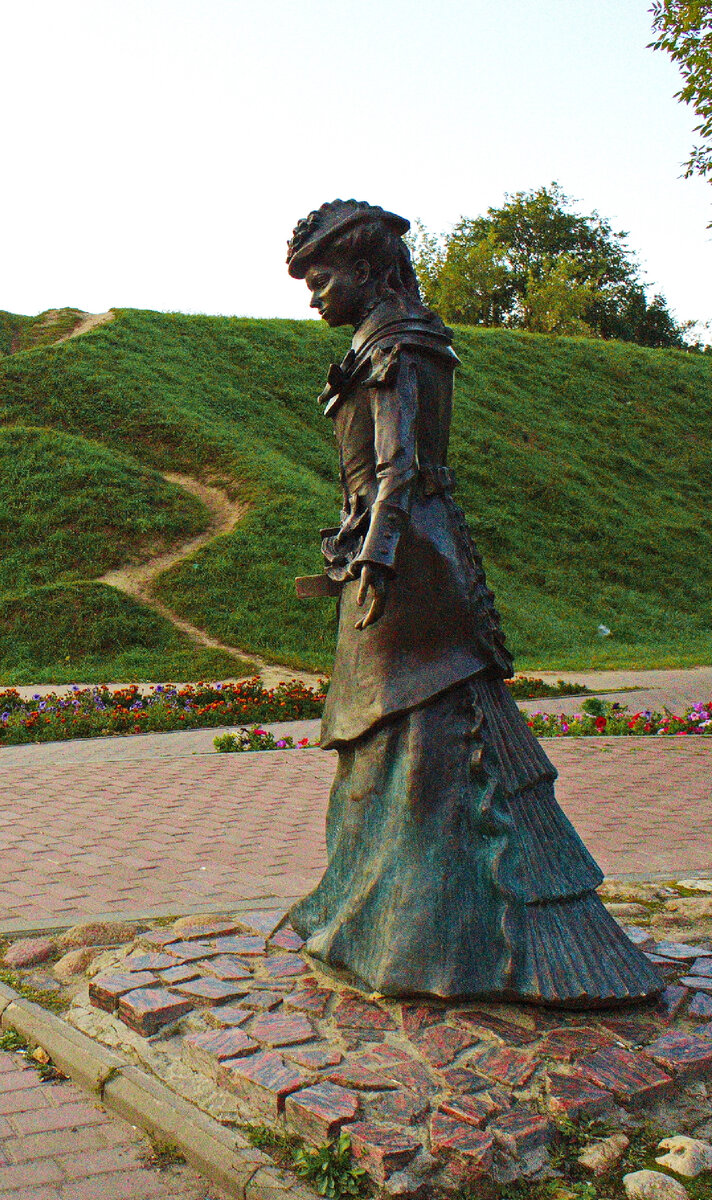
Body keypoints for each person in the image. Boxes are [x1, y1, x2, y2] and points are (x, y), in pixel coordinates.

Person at [284, 200, 660, 1007]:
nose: (313, 294)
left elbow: (400, 466)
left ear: (369, 269)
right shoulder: (380, 340)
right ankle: (383, 921)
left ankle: (433, 938)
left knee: (417, 728)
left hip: (409, 557)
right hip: (399, 550)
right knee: (394, 734)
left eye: (322, 278)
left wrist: (377, 557)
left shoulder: (398, 343)